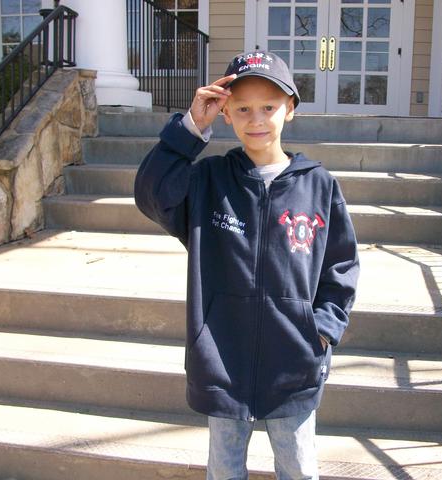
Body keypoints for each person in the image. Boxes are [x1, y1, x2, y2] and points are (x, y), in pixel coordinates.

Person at [134, 50, 360, 480]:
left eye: (268, 107)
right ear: (227, 114)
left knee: (297, 467)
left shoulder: (319, 185)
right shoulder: (208, 181)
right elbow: (151, 194)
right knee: (224, 468)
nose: (256, 119)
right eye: (242, 108)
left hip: (294, 361)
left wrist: (323, 330)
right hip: (223, 359)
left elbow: (341, 265)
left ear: (290, 109)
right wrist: (190, 129)